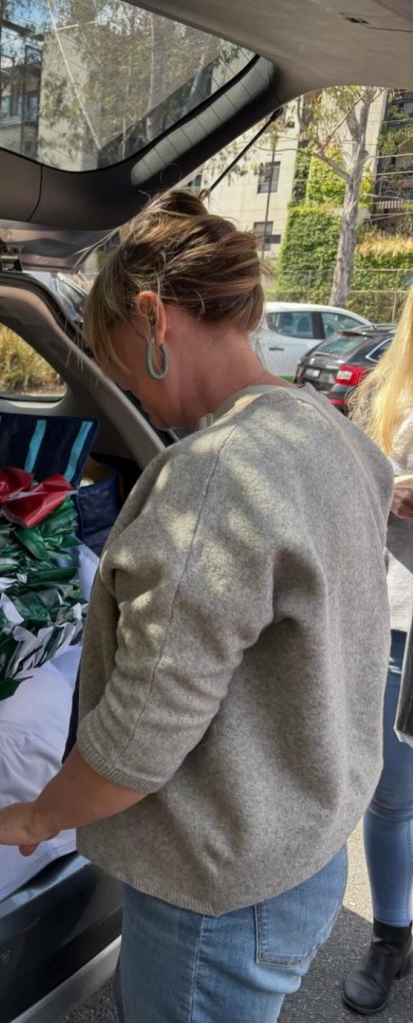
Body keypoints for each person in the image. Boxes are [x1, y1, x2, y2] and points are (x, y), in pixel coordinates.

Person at [0, 189, 395, 1023]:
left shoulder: (215, 475)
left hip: (216, 895)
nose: (120, 385)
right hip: (301, 850)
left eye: (115, 357)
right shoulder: (327, 429)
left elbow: (138, 738)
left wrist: (37, 816)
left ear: (153, 319)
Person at [343, 287, 413, 1015]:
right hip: (399, 621)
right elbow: (345, 494)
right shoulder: (390, 396)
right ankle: (391, 934)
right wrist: (386, 489)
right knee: (392, 794)